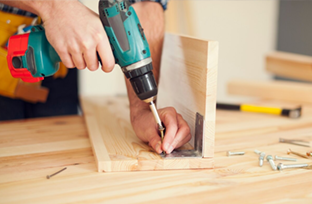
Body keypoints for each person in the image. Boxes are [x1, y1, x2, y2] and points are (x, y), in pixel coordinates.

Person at [0, 0, 191, 154]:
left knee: (56, 156)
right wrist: (55, 6)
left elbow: (146, 3)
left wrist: (142, 110)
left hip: (59, 61)